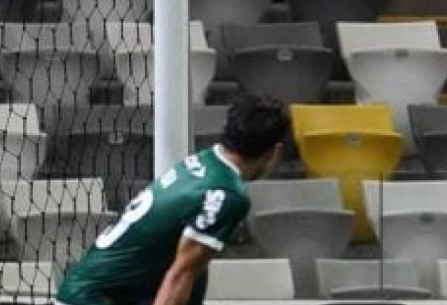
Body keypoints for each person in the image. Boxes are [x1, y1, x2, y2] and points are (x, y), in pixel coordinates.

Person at [56, 94, 290, 305]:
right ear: (275, 152)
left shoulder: (202, 162)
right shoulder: (227, 194)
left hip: (88, 292)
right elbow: (180, 274)